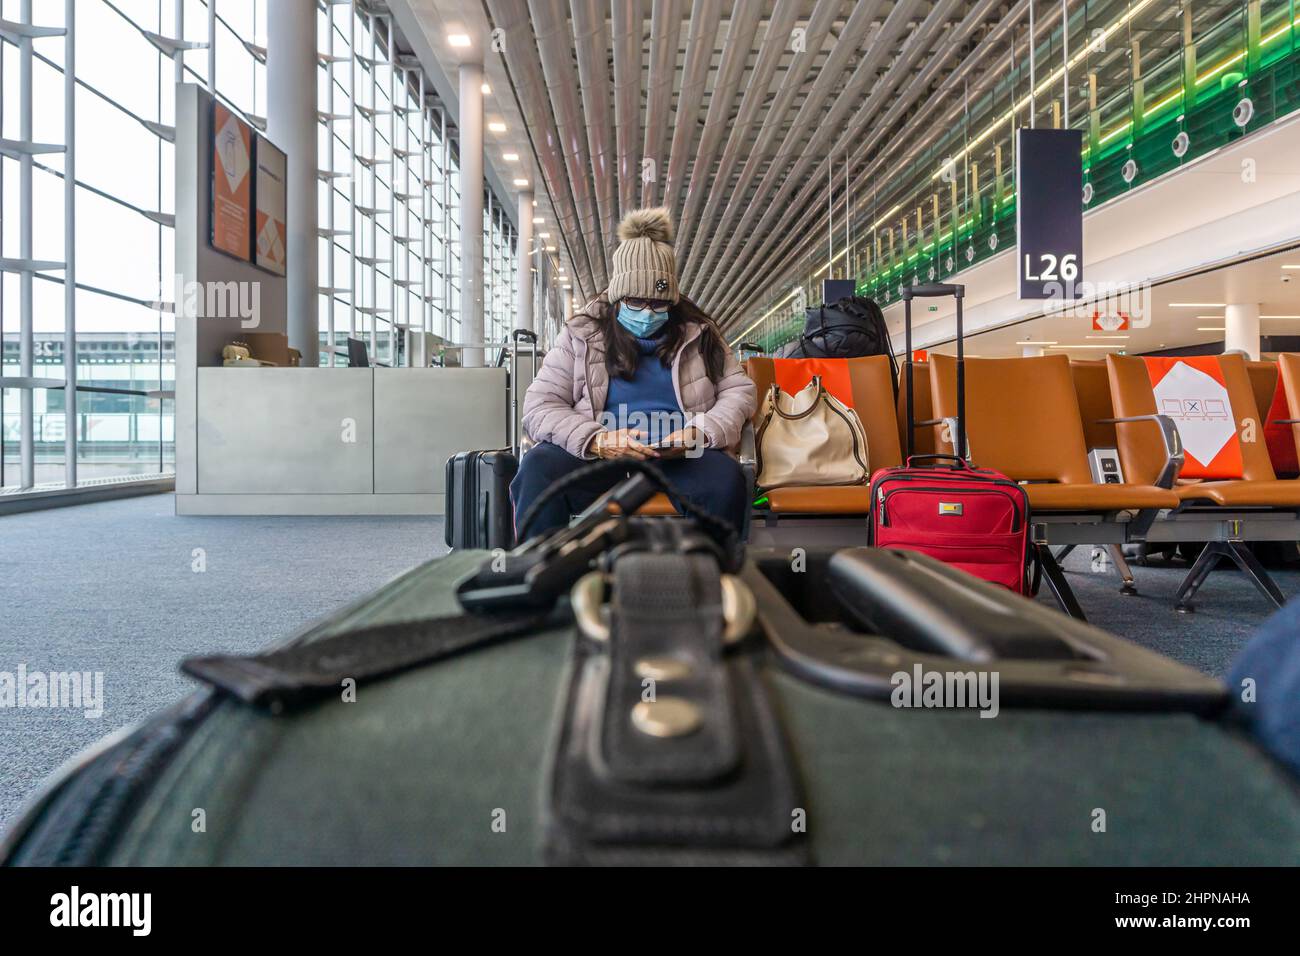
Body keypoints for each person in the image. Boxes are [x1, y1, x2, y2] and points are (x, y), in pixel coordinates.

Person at [513, 207, 756, 538]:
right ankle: (542, 575)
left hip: (679, 451)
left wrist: (698, 432)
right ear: (616, 299)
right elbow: (539, 405)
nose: (647, 312)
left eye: (658, 304)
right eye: (635, 302)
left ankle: (710, 577)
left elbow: (740, 391)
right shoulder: (580, 333)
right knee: (537, 471)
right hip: (599, 450)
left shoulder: (700, 332)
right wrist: (596, 439)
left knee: (725, 482)